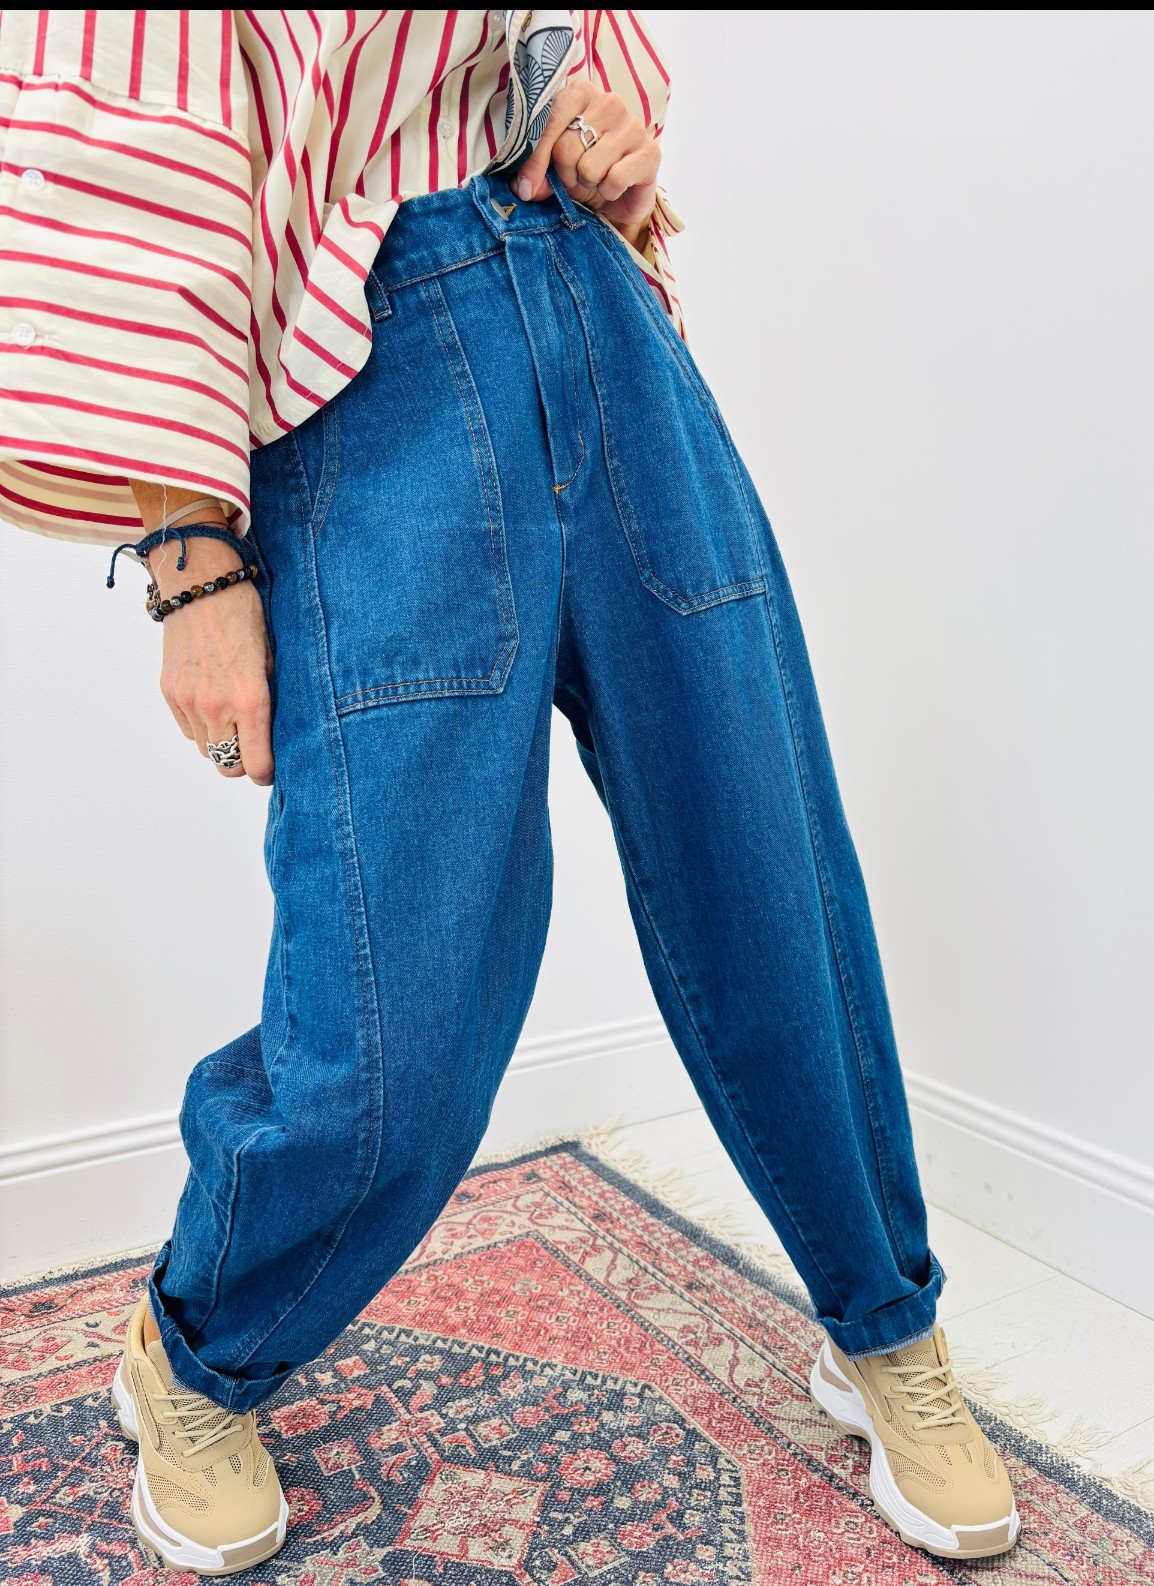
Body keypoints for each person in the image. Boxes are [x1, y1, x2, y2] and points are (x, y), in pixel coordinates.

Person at [0, 9, 1020, 1573]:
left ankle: (887, 1324)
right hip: (375, 374)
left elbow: (558, 53)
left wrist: (606, 135)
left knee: (767, 860)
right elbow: (146, 162)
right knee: (397, 995)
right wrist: (194, 562)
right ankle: (196, 1351)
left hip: (603, 329)